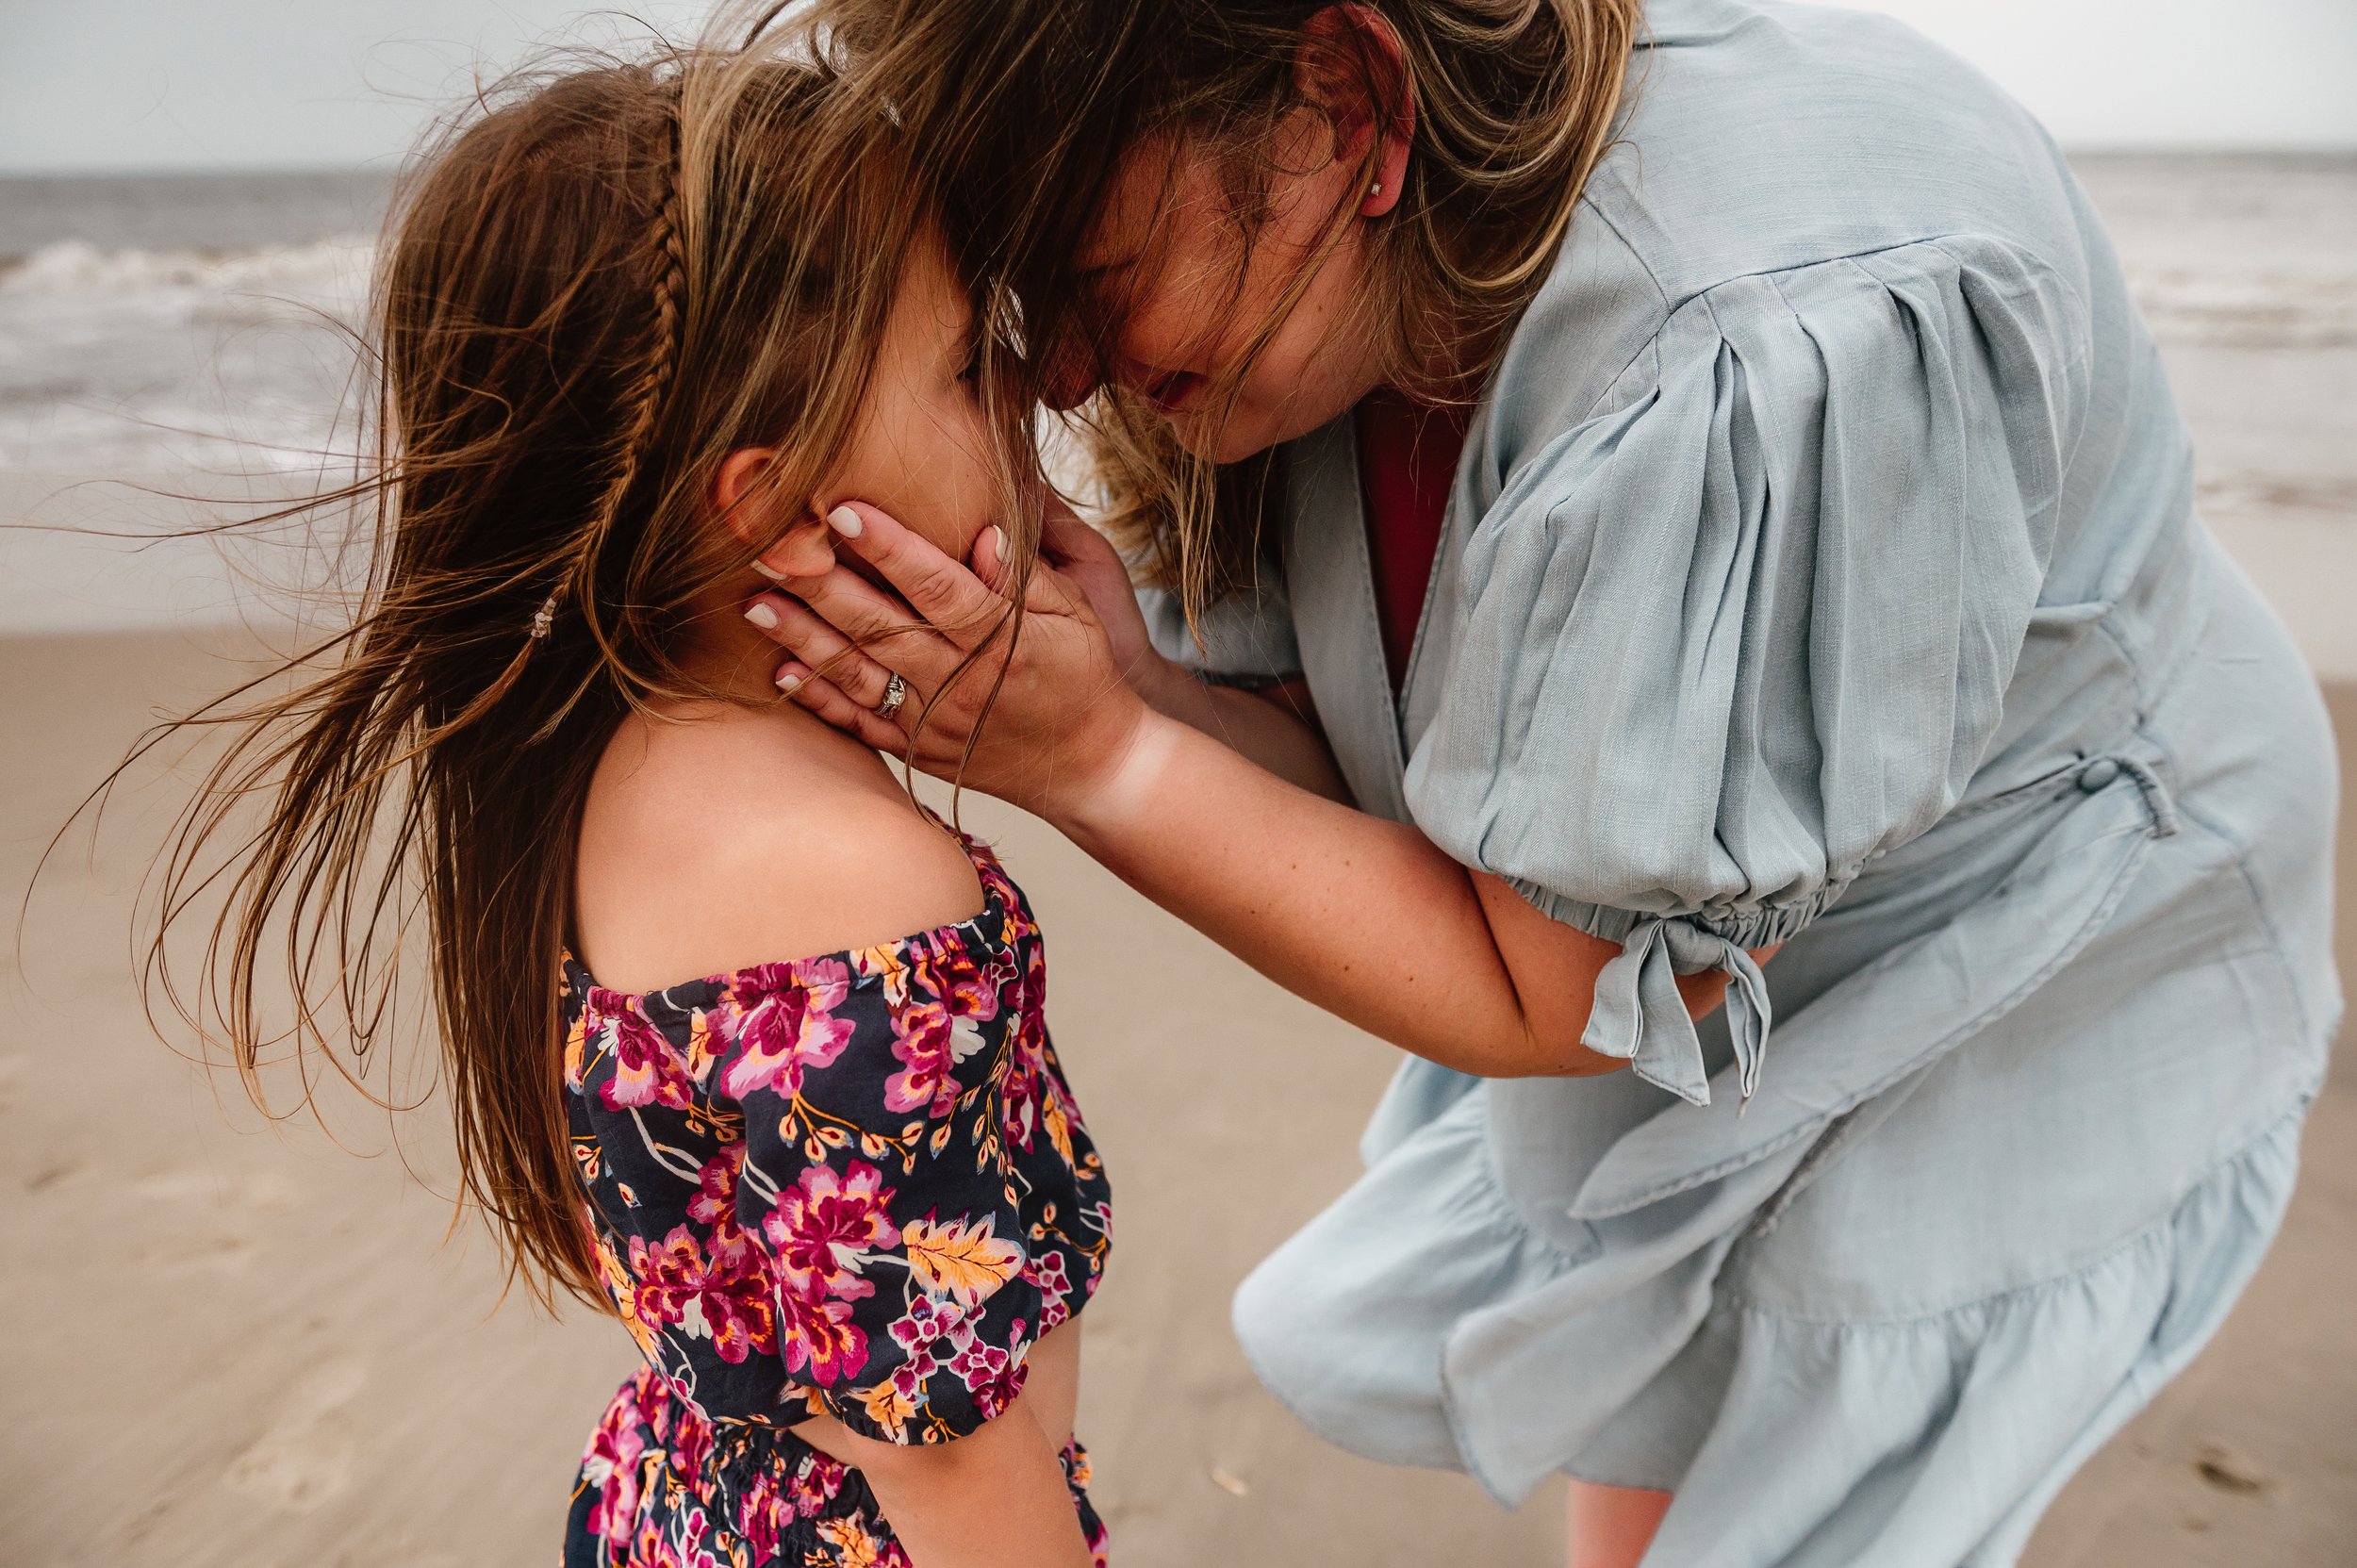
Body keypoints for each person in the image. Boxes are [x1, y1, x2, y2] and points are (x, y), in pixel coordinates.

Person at [748, 1, 2342, 1563]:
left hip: (2035, 913)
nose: (1077, 376)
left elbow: (1561, 994)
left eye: (1098, 280)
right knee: (1649, 1376)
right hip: (1666, 954)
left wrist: (1094, 755)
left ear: (1345, 98)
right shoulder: (1312, 291)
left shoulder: (1750, 341)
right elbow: (1373, 786)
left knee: (1811, 1439)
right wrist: (1142, 692)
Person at [141, 41, 1111, 1568]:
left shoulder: (609, 777)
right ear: (772, 499)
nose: (1033, 389)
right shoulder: (855, 886)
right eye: (966, 362)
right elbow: (951, 1469)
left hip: (682, 1511)